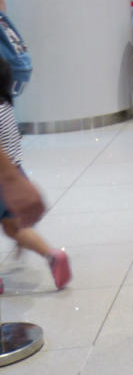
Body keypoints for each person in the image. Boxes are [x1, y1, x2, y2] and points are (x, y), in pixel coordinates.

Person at [0, 58, 71, 290]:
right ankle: (52, 256)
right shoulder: (7, 108)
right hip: (15, 176)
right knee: (15, 227)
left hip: (5, 178)